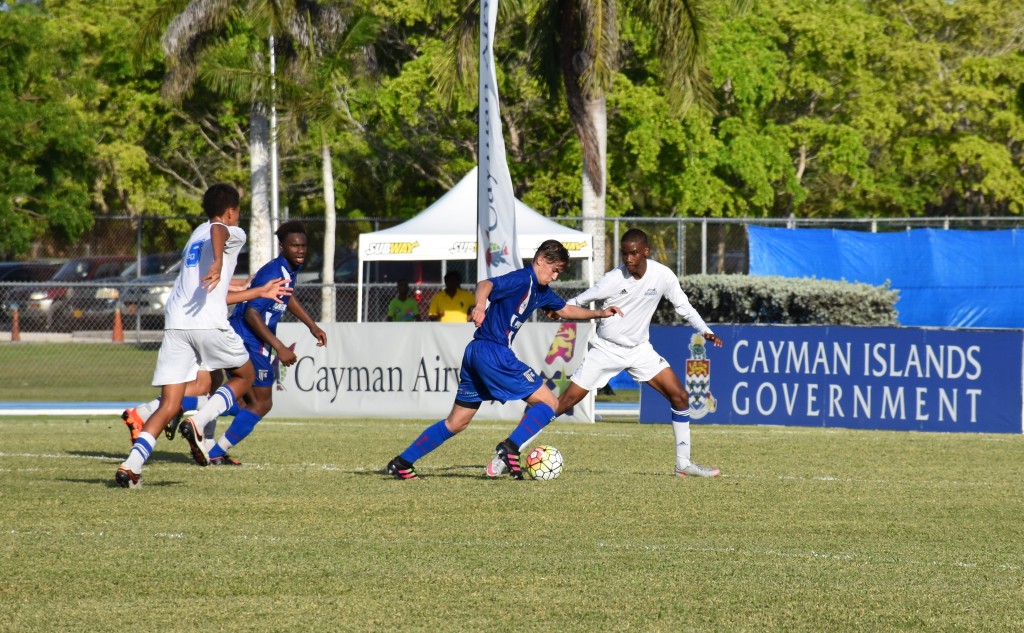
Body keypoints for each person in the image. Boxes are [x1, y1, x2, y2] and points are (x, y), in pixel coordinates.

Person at [486, 228, 725, 478]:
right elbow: (581, 300)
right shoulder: (614, 278)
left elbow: (683, 307)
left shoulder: (662, 275)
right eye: (624, 254)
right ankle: (508, 451)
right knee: (561, 404)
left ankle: (683, 464)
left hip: (639, 350)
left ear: (645, 252)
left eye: (633, 253)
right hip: (606, 350)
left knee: (680, 397)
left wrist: (705, 330)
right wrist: (557, 309)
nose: (628, 259)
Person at [385, 240, 623, 480]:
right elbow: (486, 284)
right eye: (554, 270)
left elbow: (565, 310)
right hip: (494, 352)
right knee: (550, 403)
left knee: (456, 422)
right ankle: (510, 446)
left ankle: (402, 462)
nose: (554, 276)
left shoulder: (540, 290)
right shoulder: (522, 279)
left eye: (559, 272)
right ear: (540, 260)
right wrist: (479, 305)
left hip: (476, 352)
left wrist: (600, 313)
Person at [114, 183, 291, 488]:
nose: (237, 218)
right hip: (208, 325)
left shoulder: (195, 236)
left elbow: (215, 292)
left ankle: (131, 466)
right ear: (231, 211)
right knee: (245, 375)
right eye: (237, 212)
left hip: (176, 325)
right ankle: (197, 421)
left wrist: (257, 291)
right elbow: (220, 230)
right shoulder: (231, 231)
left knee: (170, 403)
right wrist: (221, 260)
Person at [202, 220, 327, 465]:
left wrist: (312, 326)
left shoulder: (288, 269)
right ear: (282, 247)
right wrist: (279, 347)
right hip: (249, 339)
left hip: (248, 338)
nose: (300, 250)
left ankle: (177, 408)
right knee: (262, 403)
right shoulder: (273, 271)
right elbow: (251, 313)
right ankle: (214, 451)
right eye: (294, 246)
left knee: (243, 400)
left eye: (303, 245)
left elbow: (286, 296)